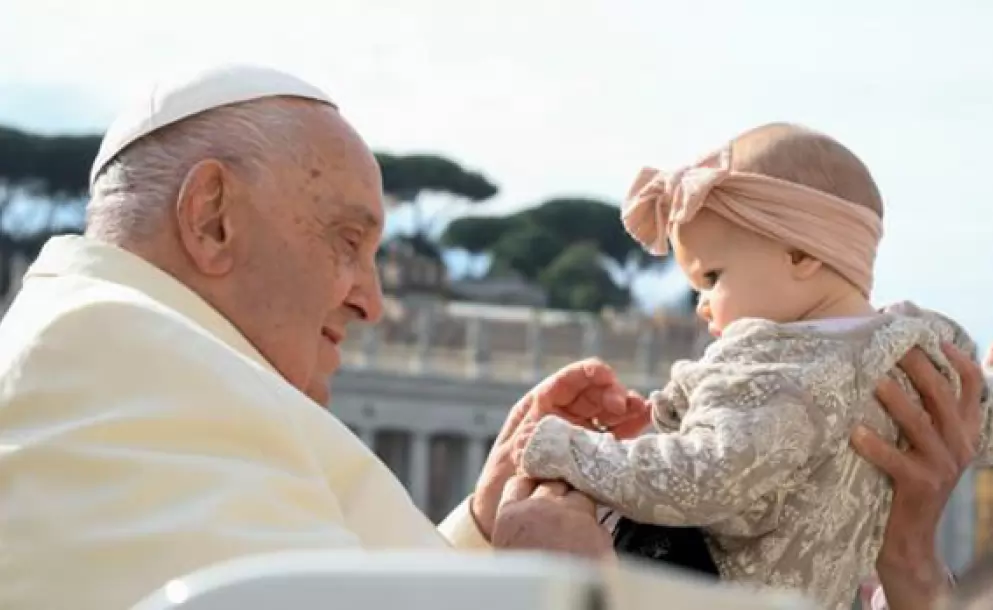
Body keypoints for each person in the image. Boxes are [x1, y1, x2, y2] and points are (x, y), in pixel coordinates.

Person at [0, 65, 981, 610]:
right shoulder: (110, 378)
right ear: (212, 217)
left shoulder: (142, 373)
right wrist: (553, 584)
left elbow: (333, 582)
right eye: (349, 242)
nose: (374, 301)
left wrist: (481, 518)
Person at [513, 124, 992, 609]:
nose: (701, 305)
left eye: (712, 277)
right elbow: (981, 417)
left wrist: (565, 448)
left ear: (801, 254)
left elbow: (701, 477)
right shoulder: (921, 344)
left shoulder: (762, 367)